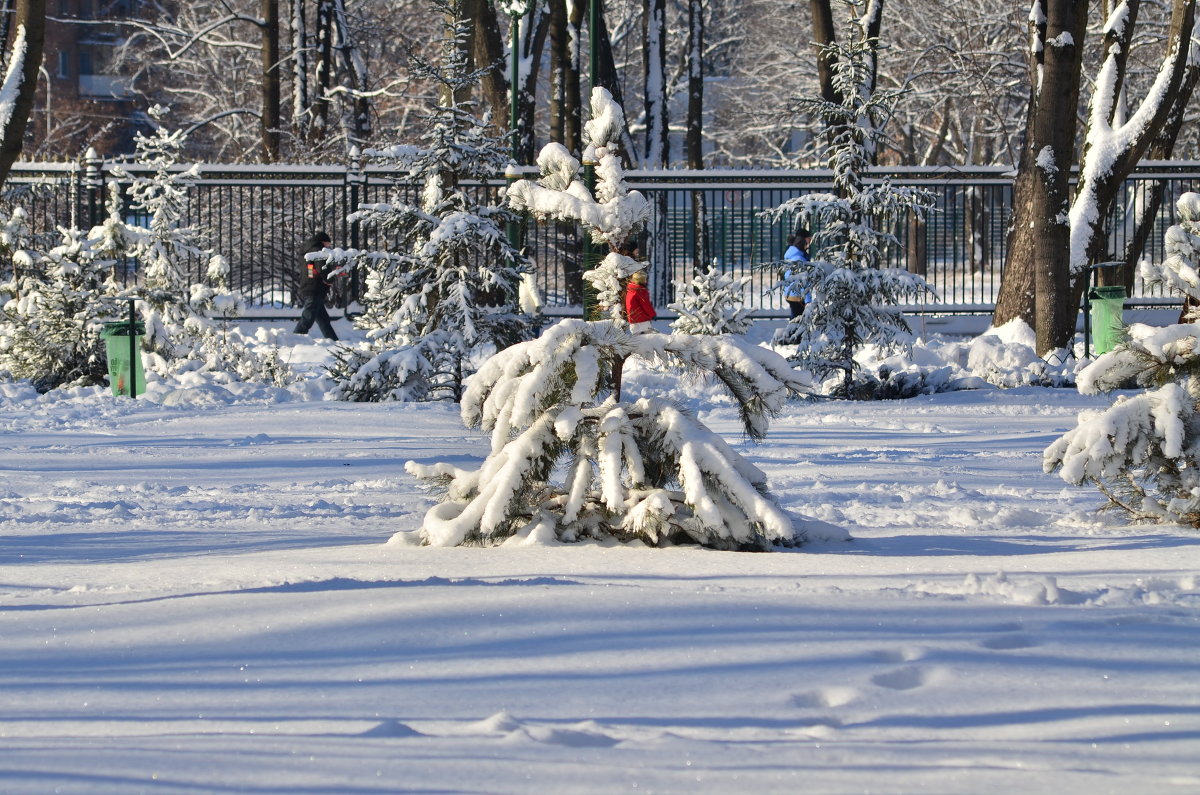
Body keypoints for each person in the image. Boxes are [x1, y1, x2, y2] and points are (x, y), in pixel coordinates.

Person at [293, 230, 339, 340]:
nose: (329, 247)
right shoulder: (318, 251)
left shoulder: (306, 251)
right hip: (315, 287)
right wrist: (330, 277)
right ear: (324, 242)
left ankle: (333, 340)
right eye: (328, 244)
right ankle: (295, 337)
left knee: (323, 319)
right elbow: (322, 268)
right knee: (308, 317)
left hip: (308, 285)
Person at [782, 228, 811, 319]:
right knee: (798, 324)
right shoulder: (798, 258)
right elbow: (803, 280)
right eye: (808, 240)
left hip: (791, 294)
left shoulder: (793, 253)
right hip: (797, 296)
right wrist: (808, 300)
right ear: (802, 241)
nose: (809, 243)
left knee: (795, 321)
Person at [625, 269, 657, 333]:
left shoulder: (631, 290)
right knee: (648, 339)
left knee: (637, 341)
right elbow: (646, 305)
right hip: (642, 321)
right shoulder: (640, 291)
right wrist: (652, 314)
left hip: (633, 321)